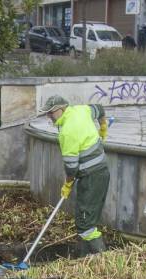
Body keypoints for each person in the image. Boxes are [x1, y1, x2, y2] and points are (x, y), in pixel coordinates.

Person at [40, 96, 108, 256]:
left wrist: (68, 185)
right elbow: (100, 109)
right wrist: (103, 126)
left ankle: (103, 260)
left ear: (61, 109)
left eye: (51, 113)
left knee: (85, 224)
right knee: (87, 219)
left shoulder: (67, 133)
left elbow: (71, 168)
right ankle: (84, 259)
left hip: (91, 177)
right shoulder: (82, 110)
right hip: (102, 171)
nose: (48, 116)